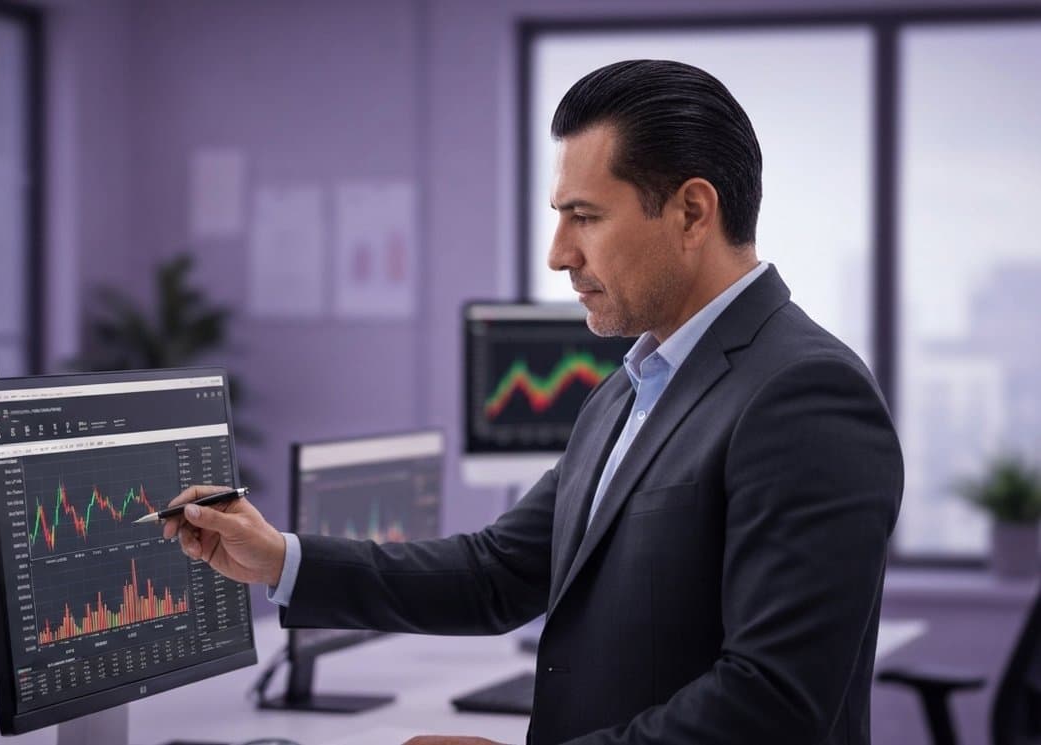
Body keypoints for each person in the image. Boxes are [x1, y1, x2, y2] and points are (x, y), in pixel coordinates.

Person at [162, 59, 902, 745]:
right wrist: (281, 561)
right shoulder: (634, 385)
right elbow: (496, 572)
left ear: (692, 212)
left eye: (586, 216)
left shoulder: (804, 394)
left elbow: (773, 703)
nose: (558, 252)